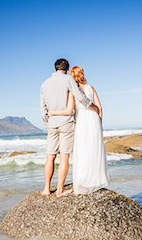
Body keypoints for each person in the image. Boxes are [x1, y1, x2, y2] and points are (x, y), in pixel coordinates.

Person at [40, 59, 99, 197]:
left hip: (52, 124)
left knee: (50, 156)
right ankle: (60, 190)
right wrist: (93, 106)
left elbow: (42, 108)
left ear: (55, 68)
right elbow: (80, 96)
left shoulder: (45, 84)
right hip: (66, 122)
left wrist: (48, 121)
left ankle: (46, 189)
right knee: (64, 156)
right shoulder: (68, 79)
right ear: (66, 69)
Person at [48, 66, 109, 194]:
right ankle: (95, 180)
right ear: (82, 74)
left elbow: (69, 111)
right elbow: (100, 108)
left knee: (82, 150)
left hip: (81, 120)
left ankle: (82, 180)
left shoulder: (72, 91)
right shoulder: (91, 88)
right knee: (94, 149)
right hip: (94, 120)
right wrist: (100, 124)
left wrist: (53, 112)